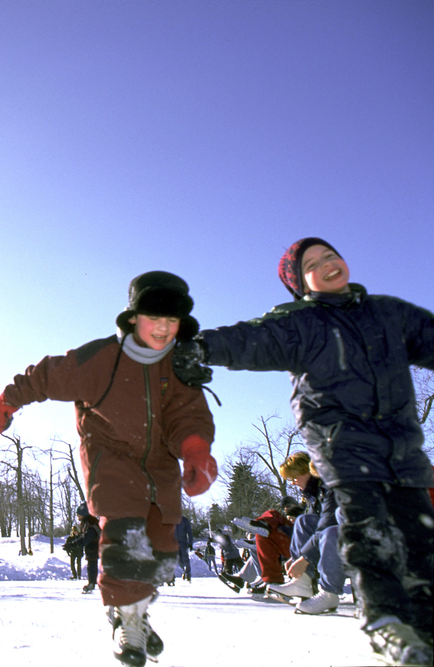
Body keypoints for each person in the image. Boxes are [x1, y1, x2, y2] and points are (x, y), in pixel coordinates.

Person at [174, 237, 434, 665]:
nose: (327, 263)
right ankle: (385, 619)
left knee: (419, 539)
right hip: (343, 444)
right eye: (312, 263)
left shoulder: (388, 313)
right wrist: (200, 348)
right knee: (369, 529)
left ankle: (422, 628)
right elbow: (251, 337)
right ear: (299, 283)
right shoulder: (302, 322)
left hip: (403, 449)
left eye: (330, 255)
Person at [0, 271, 217, 667]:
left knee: (162, 553)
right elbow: (48, 376)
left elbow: (189, 415)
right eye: (153, 318)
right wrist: (9, 400)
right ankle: (127, 620)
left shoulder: (180, 366)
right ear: (133, 318)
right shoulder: (101, 359)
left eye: (171, 320)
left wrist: (196, 450)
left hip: (161, 468)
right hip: (111, 459)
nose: (162, 328)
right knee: (126, 539)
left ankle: (135, 612)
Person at [267, 452, 346, 614]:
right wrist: (296, 558)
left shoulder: (330, 488)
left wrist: (304, 559)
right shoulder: (315, 494)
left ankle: (329, 593)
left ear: (306, 471)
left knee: (327, 530)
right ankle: (302, 582)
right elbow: (310, 527)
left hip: (346, 538)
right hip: (334, 537)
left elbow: (326, 526)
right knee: (304, 521)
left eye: (293, 478)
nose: (293, 483)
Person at [75, 503, 100, 594]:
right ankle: (92, 583)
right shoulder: (86, 523)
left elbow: (87, 537)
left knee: (94, 565)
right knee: (91, 565)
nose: (77, 516)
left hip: (97, 547)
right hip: (92, 549)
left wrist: (75, 544)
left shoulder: (91, 524)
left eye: (79, 514)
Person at [174, 515, 193, 583]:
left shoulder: (184, 520)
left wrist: (190, 543)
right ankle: (185, 570)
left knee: (185, 558)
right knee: (178, 559)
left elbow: (189, 532)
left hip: (183, 543)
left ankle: (188, 574)